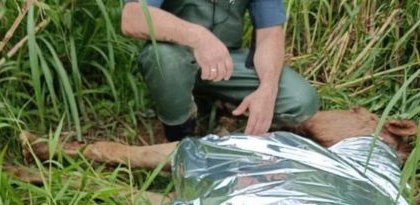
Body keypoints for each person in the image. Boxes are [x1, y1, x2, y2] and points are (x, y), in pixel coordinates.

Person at [120, 0, 320, 141]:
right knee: (164, 58)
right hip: (176, 54)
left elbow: (269, 34)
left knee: (301, 100)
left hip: (227, 61)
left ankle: (222, 107)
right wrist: (198, 37)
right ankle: (180, 136)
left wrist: (268, 88)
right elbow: (133, 16)